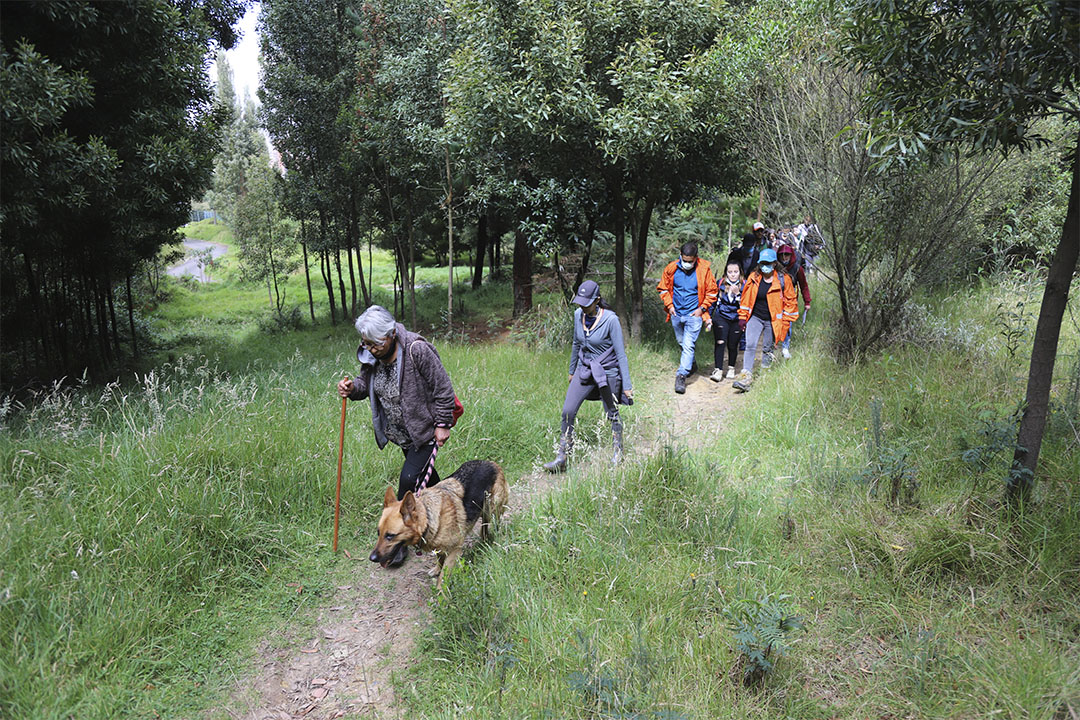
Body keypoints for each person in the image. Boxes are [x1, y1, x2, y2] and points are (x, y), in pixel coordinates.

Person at [336, 305, 457, 566]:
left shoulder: (416, 349)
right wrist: (351, 389)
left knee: (409, 479)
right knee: (430, 483)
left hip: (424, 431)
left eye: (373, 343)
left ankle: (397, 546)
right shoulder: (372, 356)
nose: (368, 348)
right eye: (364, 343)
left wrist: (443, 423)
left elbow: (443, 387)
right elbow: (364, 385)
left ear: (390, 335)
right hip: (401, 434)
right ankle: (454, 514)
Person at [543, 280, 633, 472]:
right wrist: (571, 370)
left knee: (612, 413)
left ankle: (618, 451)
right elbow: (576, 344)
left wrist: (627, 384)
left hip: (607, 371)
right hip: (584, 369)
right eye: (580, 302)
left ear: (597, 300)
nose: (583, 306)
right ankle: (562, 456)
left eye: (587, 303)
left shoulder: (611, 320)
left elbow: (621, 354)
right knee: (568, 410)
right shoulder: (578, 315)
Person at [732, 249, 798, 392]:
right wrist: (743, 317)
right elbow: (745, 299)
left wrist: (785, 325)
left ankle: (765, 376)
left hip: (773, 320)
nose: (765, 266)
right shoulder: (753, 277)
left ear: (774, 264)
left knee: (767, 349)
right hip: (755, 317)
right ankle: (746, 377)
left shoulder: (783, 280)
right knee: (750, 345)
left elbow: (791, 303)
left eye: (768, 263)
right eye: (762, 263)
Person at [657, 241, 718, 394]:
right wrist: (670, 306)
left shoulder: (704, 270)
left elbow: (712, 292)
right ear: (680, 256)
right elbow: (663, 288)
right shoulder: (671, 268)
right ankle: (692, 364)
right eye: (684, 260)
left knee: (688, 344)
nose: (687, 263)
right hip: (676, 314)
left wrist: (702, 309)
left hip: (694, 315)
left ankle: (681, 375)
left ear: (696, 258)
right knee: (682, 343)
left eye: (690, 261)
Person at [707, 261, 744, 381]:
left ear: (740, 273)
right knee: (720, 342)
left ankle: (731, 368)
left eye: (735, 272)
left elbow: (747, 304)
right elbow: (713, 301)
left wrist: (737, 294)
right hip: (722, 316)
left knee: (733, 344)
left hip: (737, 317)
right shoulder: (720, 283)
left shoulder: (745, 285)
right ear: (726, 273)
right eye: (730, 272)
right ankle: (718, 369)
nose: (733, 275)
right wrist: (709, 317)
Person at [776, 244, 811, 359]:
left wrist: (807, 302)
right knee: (775, 322)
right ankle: (773, 344)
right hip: (776, 299)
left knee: (787, 323)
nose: (784, 257)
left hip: (790, 300)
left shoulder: (797, 269)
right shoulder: (775, 268)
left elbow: (803, 286)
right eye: (782, 255)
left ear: (791, 255)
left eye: (787, 255)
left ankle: (785, 347)